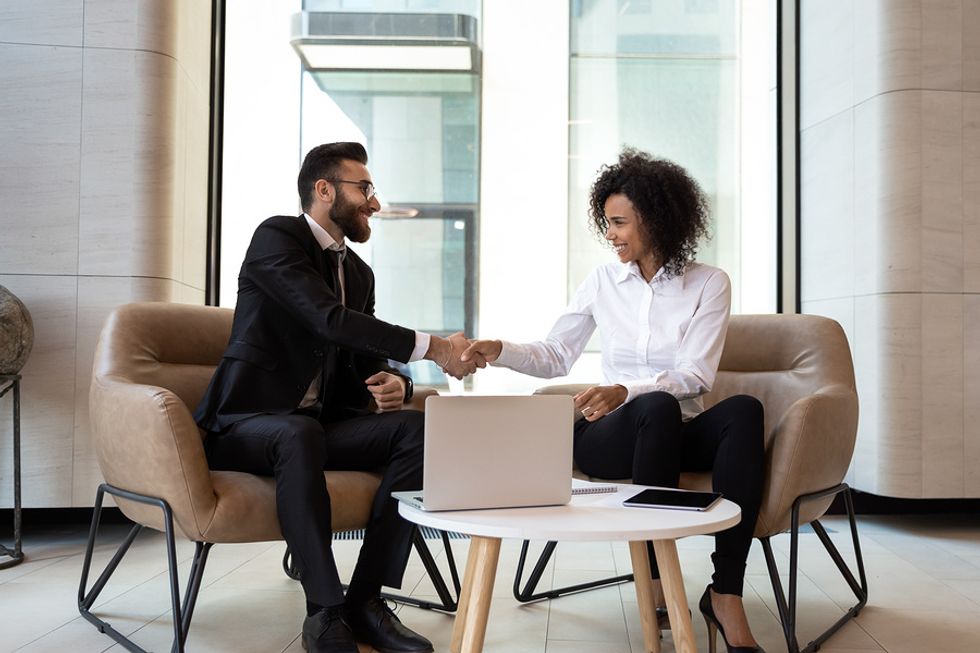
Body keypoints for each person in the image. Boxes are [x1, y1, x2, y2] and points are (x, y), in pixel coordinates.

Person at [462, 149, 766, 653]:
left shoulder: (709, 283)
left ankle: (725, 592)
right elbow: (557, 354)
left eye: (620, 222)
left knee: (743, 411)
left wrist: (628, 387)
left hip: (673, 429)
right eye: (607, 223)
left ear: (656, 219)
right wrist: (500, 350)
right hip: (612, 437)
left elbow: (696, 374)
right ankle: (652, 582)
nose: (611, 234)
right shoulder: (601, 282)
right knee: (654, 407)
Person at [194, 142, 475, 653]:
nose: (374, 202)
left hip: (318, 427)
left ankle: (365, 602)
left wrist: (399, 383)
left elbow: (362, 358)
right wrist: (434, 347)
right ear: (324, 190)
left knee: (417, 428)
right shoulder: (278, 237)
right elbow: (328, 319)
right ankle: (324, 612)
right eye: (364, 188)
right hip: (243, 425)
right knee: (297, 432)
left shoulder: (360, 274)